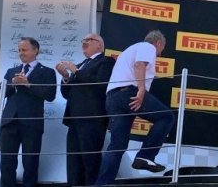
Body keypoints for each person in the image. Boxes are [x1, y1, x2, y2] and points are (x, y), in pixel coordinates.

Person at [95, 30, 175, 186]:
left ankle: (103, 183)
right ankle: (146, 156)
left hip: (112, 97)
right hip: (128, 93)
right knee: (166, 117)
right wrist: (141, 89)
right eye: (162, 48)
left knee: (117, 145)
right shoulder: (148, 47)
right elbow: (139, 65)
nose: (160, 53)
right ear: (158, 43)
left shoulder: (129, 50)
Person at [56, 33, 115, 186]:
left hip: (92, 119)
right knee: (73, 162)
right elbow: (67, 94)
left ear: (99, 45)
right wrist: (66, 77)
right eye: (83, 40)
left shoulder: (106, 61)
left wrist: (76, 72)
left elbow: (100, 84)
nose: (84, 42)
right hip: (74, 120)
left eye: (88, 40)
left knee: (90, 160)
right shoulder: (81, 64)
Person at [0, 37, 56, 187]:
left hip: (32, 123)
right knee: (7, 162)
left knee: (30, 162)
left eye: (24, 50)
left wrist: (28, 84)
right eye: (19, 50)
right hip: (10, 121)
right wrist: (12, 83)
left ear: (35, 50)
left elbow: (50, 95)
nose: (21, 53)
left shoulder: (47, 72)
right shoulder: (11, 71)